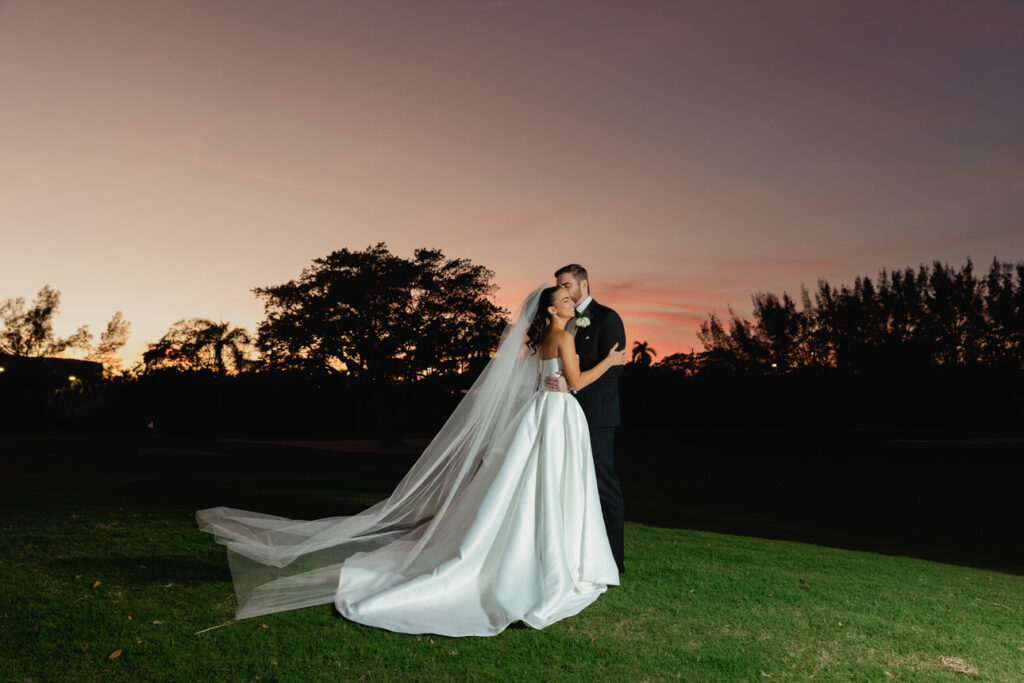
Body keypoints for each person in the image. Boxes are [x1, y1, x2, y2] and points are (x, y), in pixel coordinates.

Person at [196, 284, 627, 636]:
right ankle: (550, 561)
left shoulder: (546, 337)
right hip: (558, 413)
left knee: (535, 486)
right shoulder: (566, 336)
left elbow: (546, 376)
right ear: (552, 310)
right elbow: (574, 381)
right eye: (567, 300)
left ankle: (536, 553)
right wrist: (608, 362)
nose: (575, 304)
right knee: (551, 486)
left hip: (542, 412)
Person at [544, 265, 627, 573]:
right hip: (563, 414)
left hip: (597, 415)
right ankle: (580, 555)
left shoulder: (608, 317)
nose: (564, 290)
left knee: (604, 485)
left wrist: (573, 384)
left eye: (567, 285)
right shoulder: (563, 322)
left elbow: (616, 368)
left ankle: (614, 561)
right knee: (572, 484)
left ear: (584, 284)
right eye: (560, 287)